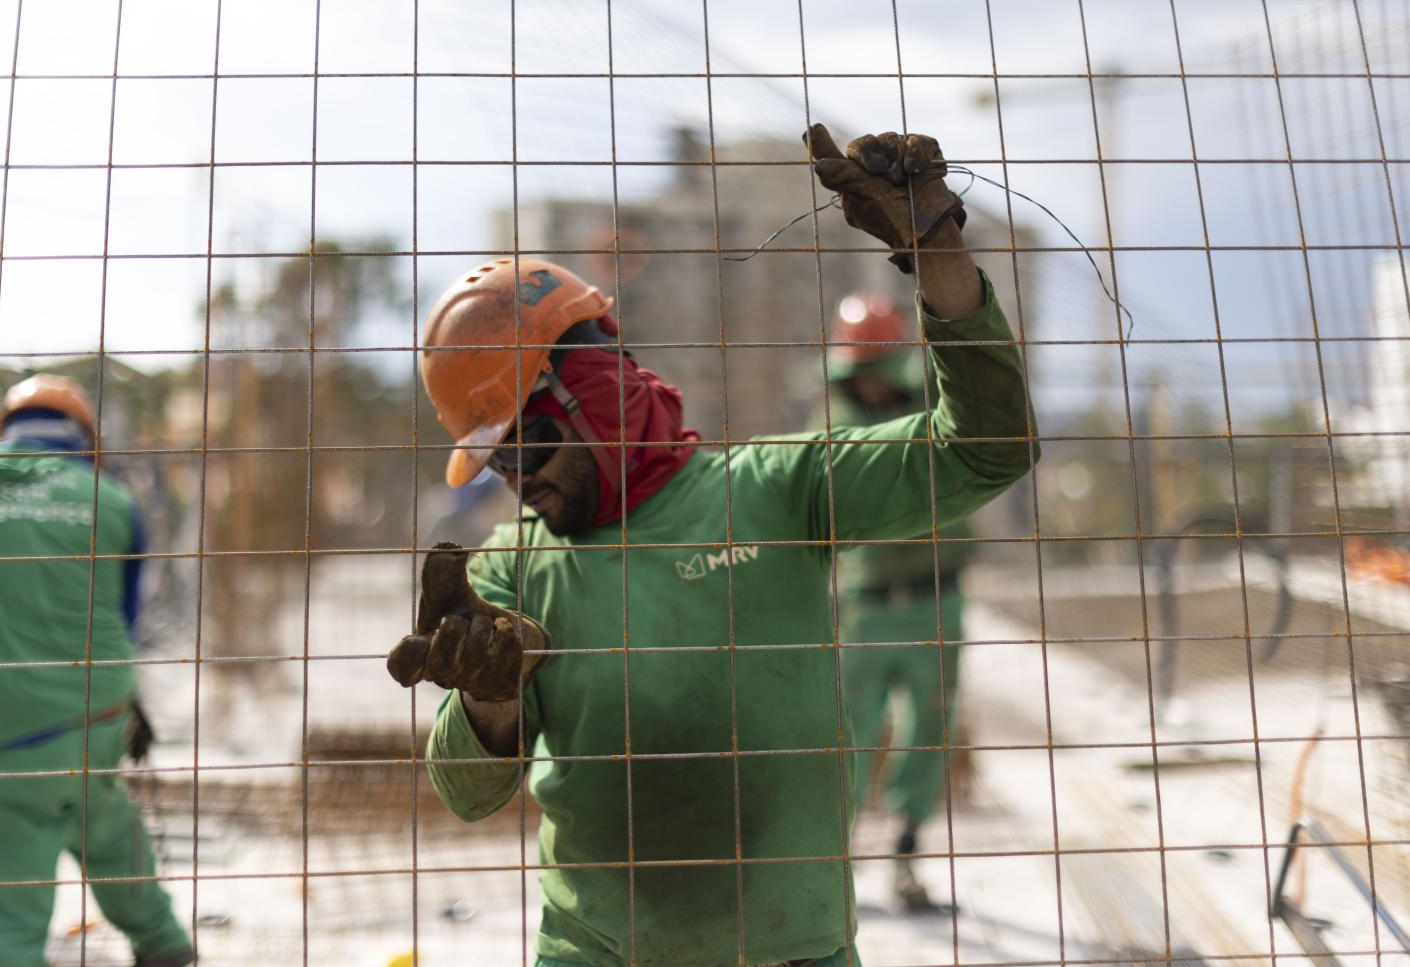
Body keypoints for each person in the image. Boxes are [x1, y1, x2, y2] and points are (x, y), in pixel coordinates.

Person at [389, 124, 1038, 967]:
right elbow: (465, 796)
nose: (514, 477)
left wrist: (938, 246)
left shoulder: (771, 490)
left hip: (793, 948)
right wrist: (489, 699)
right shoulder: (514, 563)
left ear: (589, 390)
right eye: (495, 458)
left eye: (523, 444)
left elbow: (986, 447)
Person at [0, 376, 195, 967]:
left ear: (4, 428)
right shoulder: (111, 498)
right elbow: (124, 614)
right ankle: (164, 945)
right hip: (99, 712)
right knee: (107, 828)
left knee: (5, 889)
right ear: (86, 437)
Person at [824, 294, 972, 912]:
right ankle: (834, 868)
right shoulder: (834, 423)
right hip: (865, 601)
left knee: (927, 732)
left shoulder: (935, 411)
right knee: (848, 736)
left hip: (936, 596)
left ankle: (908, 856)